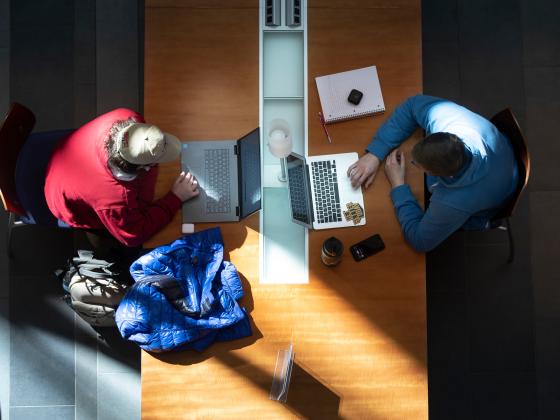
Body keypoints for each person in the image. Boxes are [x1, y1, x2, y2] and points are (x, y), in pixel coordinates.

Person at [347, 95, 518, 252]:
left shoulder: (453, 202)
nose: (413, 163)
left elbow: (420, 242)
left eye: (416, 164)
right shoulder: (447, 119)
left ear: (435, 175)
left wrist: (398, 184)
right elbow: (412, 106)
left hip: (494, 200)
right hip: (505, 160)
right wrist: (376, 153)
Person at [45, 108, 199, 247]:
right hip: (64, 203)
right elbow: (133, 235)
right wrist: (175, 198)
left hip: (64, 158)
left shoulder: (126, 116)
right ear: (139, 169)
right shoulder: (114, 199)